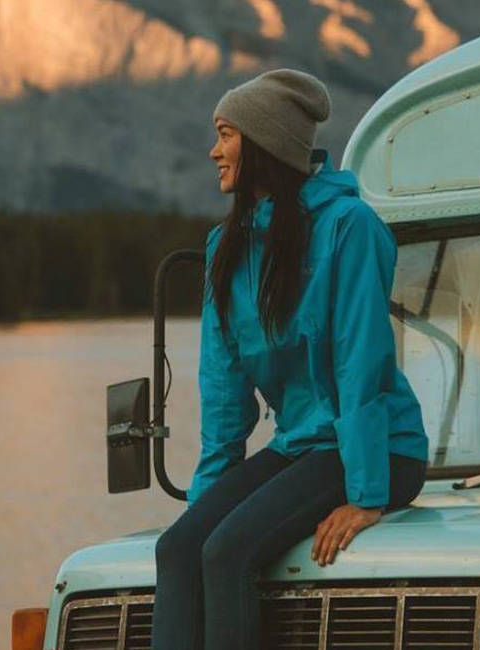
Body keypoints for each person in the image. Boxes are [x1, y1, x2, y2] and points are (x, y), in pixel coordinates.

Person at [150, 69, 429, 650]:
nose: (213, 151)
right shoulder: (223, 248)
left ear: (263, 143)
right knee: (178, 548)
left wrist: (367, 493)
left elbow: (361, 361)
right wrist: (207, 502)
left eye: (225, 134)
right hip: (300, 445)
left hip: (379, 448)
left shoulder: (350, 228)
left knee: (227, 552)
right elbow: (222, 391)